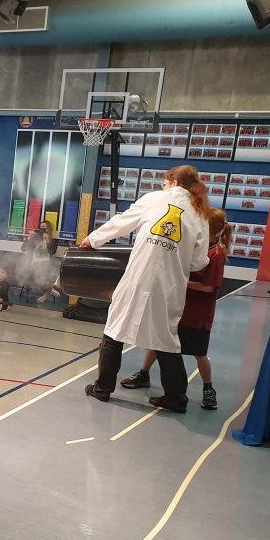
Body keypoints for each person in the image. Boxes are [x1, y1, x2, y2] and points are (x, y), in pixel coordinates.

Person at [81, 164, 210, 413]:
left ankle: (103, 388)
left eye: (165, 182)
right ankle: (176, 398)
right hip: (169, 286)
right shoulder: (200, 214)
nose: (163, 186)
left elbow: (121, 223)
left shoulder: (153, 199)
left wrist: (93, 239)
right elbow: (198, 262)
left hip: (138, 278)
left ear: (173, 182)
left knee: (114, 331)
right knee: (165, 340)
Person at [120, 208, 230, 410]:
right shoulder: (193, 247)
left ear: (212, 231)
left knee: (199, 353)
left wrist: (182, 281)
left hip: (197, 315)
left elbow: (209, 287)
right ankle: (143, 374)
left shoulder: (216, 254)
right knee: (158, 342)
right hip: (175, 308)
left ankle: (208, 388)